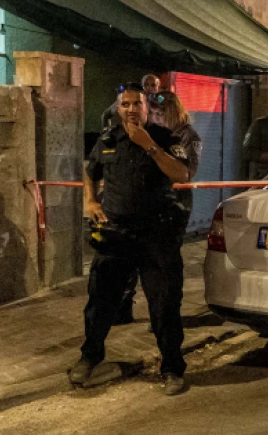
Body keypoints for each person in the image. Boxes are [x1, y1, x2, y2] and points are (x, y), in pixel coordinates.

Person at [72, 82, 192, 396]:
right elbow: (90, 171)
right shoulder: (108, 139)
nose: (129, 109)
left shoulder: (167, 138)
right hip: (116, 233)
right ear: (118, 108)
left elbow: (182, 175)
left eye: (135, 104)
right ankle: (90, 357)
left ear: (147, 108)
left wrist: (148, 144)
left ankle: (172, 368)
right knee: (100, 301)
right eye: (124, 104)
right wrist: (90, 201)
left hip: (156, 236)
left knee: (164, 304)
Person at [115, 91, 202, 325]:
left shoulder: (185, 135)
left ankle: (166, 317)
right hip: (147, 204)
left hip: (175, 203)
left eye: (159, 113)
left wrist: (155, 151)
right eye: (152, 112)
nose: (154, 117)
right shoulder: (144, 133)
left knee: (164, 265)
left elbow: (187, 172)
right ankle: (124, 308)